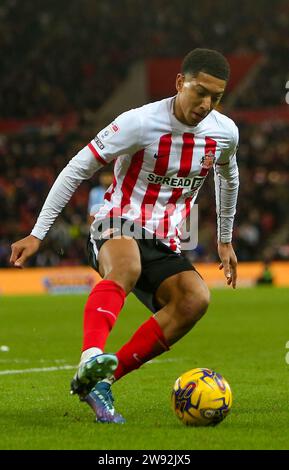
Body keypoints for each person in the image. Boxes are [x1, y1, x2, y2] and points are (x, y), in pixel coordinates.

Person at [10, 48, 239, 424]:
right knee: (127, 264)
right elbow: (77, 168)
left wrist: (225, 239)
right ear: (180, 83)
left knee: (195, 299)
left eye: (216, 97)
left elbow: (229, 178)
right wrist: (38, 233)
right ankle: (90, 355)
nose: (206, 104)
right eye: (200, 92)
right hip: (116, 222)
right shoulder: (139, 123)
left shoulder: (224, 132)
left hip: (164, 239)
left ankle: (100, 382)